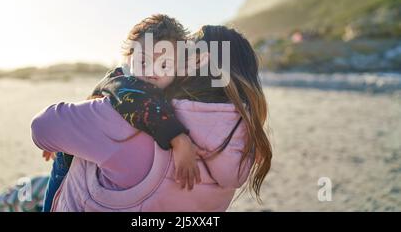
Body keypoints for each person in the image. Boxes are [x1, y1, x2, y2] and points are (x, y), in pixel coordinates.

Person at [31, 25, 272, 211]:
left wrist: (119, 82)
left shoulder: (134, 116)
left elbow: (41, 128)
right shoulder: (244, 142)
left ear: (197, 60)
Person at [40, 14, 204, 212]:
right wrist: (179, 138)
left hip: (98, 159)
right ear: (129, 59)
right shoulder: (123, 81)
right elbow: (137, 99)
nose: (153, 70)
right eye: (143, 61)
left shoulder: (163, 87)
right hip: (70, 158)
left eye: (164, 64)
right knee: (55, 202)